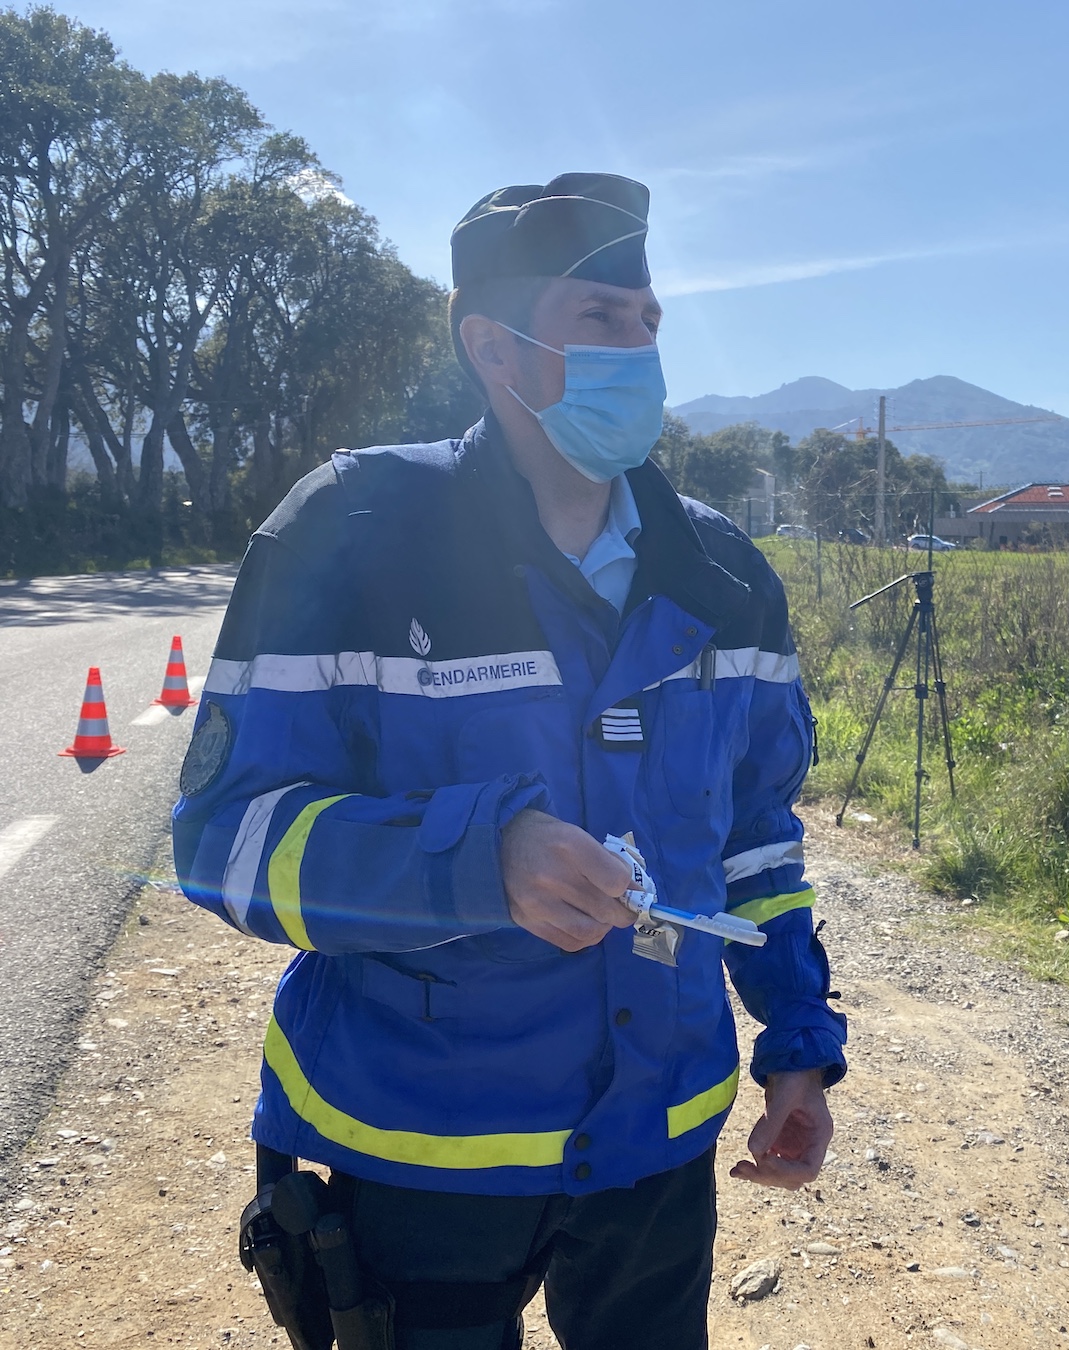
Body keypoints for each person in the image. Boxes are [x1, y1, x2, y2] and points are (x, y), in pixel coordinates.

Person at [173, 173, 846, 1350]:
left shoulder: (727, 576)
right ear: (494, 344)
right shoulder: (353, 532)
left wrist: (798, 1046)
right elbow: (225, 840)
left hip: (662, 1138)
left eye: (649, 323)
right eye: (600, 320)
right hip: (416, 1149)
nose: (638, 350)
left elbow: (758, 845)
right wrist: (479, 863)